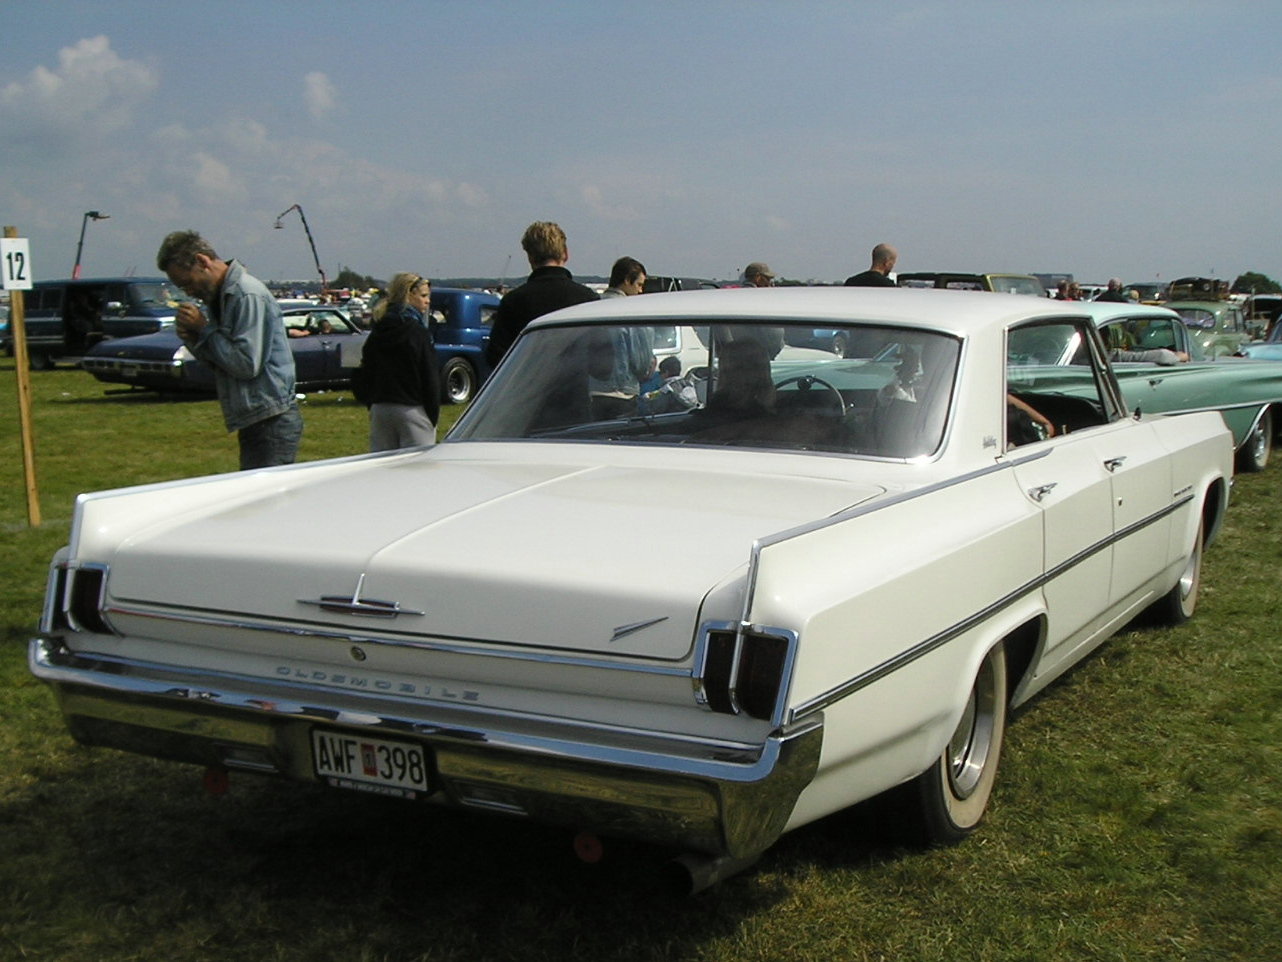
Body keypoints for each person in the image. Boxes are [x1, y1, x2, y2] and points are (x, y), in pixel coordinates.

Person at [156, 230, 302, 470]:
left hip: (271, 419)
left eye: (188, 283)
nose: (188, 292)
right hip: (257, 417)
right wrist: (194, 338)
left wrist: (203, 330)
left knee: (265, 503)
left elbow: (245, 365)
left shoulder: (246, 295)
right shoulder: (221, 298)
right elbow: (222, 362)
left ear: (202, 262)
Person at [484, 221, 599, 366]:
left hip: (528, 386)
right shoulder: (588, 300)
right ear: (566, 254)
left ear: (530, 257)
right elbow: (603, 367)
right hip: (573, 387)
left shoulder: (513, 302)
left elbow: (496, 358)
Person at [351, 272, 441, 452]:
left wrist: (371, 401)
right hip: (412, 408)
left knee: (383, 468)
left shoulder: (379, 330)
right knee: (417, 469)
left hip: (381, 408)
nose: (427, 301)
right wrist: (432, 414)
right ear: (408, 295)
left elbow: (363, 369)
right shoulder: (417, 332)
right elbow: (429, 375)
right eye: (423, 296)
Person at [589, 256, 655, 418]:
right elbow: (641, 364)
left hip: (592, 392)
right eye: (639, 284)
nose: (640, 291)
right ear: (627, 280)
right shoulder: (631, 312)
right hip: (622, 393)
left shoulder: (590, 306)